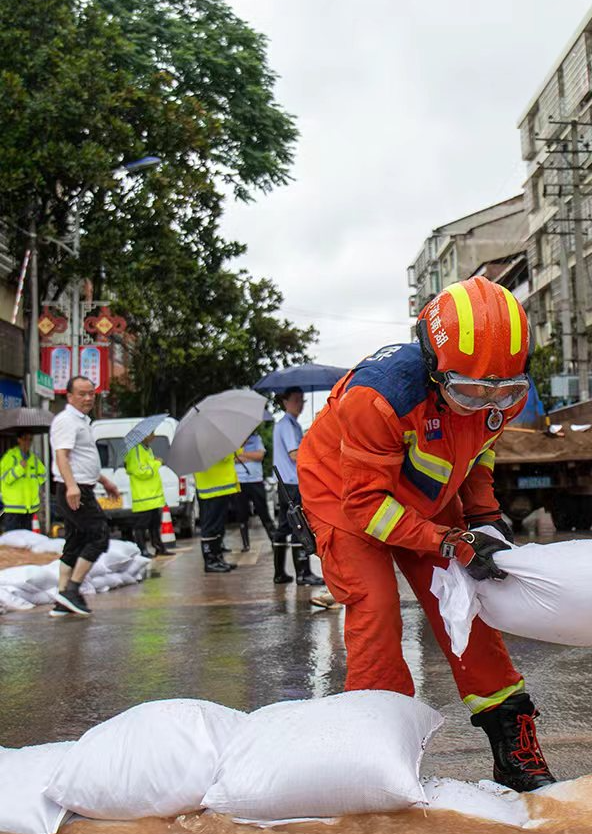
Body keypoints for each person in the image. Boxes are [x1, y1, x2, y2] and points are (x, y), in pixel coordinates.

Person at [298, 277, 556, 792]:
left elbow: (477, 456)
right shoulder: (378, 397)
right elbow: (368, 506)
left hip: (424, 495)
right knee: (375, 613)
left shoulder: (493, 388)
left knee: (464, 606)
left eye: (501, 392)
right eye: (469, 391)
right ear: (435, 366)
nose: (484, 403)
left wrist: (484, 519)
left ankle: (512, 741)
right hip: (344, 494)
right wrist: (447, 541)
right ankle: (375, 753)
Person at [49, 376, 120, 616]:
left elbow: (82, 460)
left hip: (80, 486)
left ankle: (61, 599)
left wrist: (104, 480)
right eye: (82, 393)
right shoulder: (67, 420)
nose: (88, 398)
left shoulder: (82, 421)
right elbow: (62, 456)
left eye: (91, 393)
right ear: (69, 396)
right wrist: (72, 487)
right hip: (75, 490)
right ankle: (72, 591)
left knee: (76, 541)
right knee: (99, 535)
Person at [273, 387, 322, 585]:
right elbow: (295, 454)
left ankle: (280, 573)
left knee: (284, 526)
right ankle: (303, 573)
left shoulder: (289, 424)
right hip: (292, 482)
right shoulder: (288, 425)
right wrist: (311, 443)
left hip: (286, 482)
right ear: (285, 401)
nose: (300, 404)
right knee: (298, 525)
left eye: (302, 400)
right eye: (295, 400)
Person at [194, 451, 240, 573]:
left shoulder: (213, 437)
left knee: (218, 527)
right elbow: (222, 455)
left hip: (219, 487)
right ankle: (210, 561)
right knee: (210, 527)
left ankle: (217, 558)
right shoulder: (206, 440)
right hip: (212, 488)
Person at [123, 433, 167, 558]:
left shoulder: (147, 449)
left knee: (155, 524)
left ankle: (159, 547)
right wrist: (156, 463)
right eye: (151, 433)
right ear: (143, 436)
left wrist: (153, 463)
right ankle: (142, 550)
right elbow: (140, 471)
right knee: (141, 526)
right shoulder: (135, 450)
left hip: (153, 496)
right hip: (143, 497)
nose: (154, 436)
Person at [235, 430, 275, 552]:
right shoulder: (234, 442)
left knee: (263, 511)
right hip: (239, 481)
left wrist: (243, 455)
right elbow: (233, 459)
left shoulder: (256, 439)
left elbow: (260, 456)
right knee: (242, 513)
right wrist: (249, 454)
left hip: (255, 480)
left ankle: (274, 539)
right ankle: (245, 544)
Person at [0, 432, 47, 532]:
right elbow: (5, 479)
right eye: (25, 439)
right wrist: (20, 468)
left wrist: (35, 482)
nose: (28, 442)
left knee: (27, 541)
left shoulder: (33, 458)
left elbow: (43, 475)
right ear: (19, 440)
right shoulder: (10, 457)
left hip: (29, 508)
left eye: (30, 439)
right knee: (13, 541)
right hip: (14, 507)